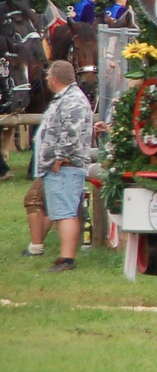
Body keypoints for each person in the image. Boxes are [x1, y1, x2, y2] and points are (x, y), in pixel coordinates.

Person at [21, 61, 92, 271]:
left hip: (64, 167)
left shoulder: (73, 100)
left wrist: (60, 157)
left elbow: (71, 131)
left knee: (64, 213)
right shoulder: (65, 98)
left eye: (48, 77)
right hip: (56, 167)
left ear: (54, 79)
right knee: (61, 211)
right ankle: (62, 256)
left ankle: (66, 259)